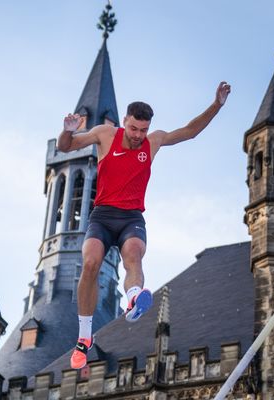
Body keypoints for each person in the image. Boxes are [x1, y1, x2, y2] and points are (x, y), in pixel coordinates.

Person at [57, 82, 232, 369]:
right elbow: (66, 147)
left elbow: (189, 131)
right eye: (134, 129)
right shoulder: (105, 134)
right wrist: (67, 130)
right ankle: (84, 338)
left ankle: (135, 297)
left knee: (134, 255)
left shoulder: (153, 141)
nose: (138, 135)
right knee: (90, 262)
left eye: (143, 130)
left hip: (131, 219)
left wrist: (216, 105)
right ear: (125, 122)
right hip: (102, 216)